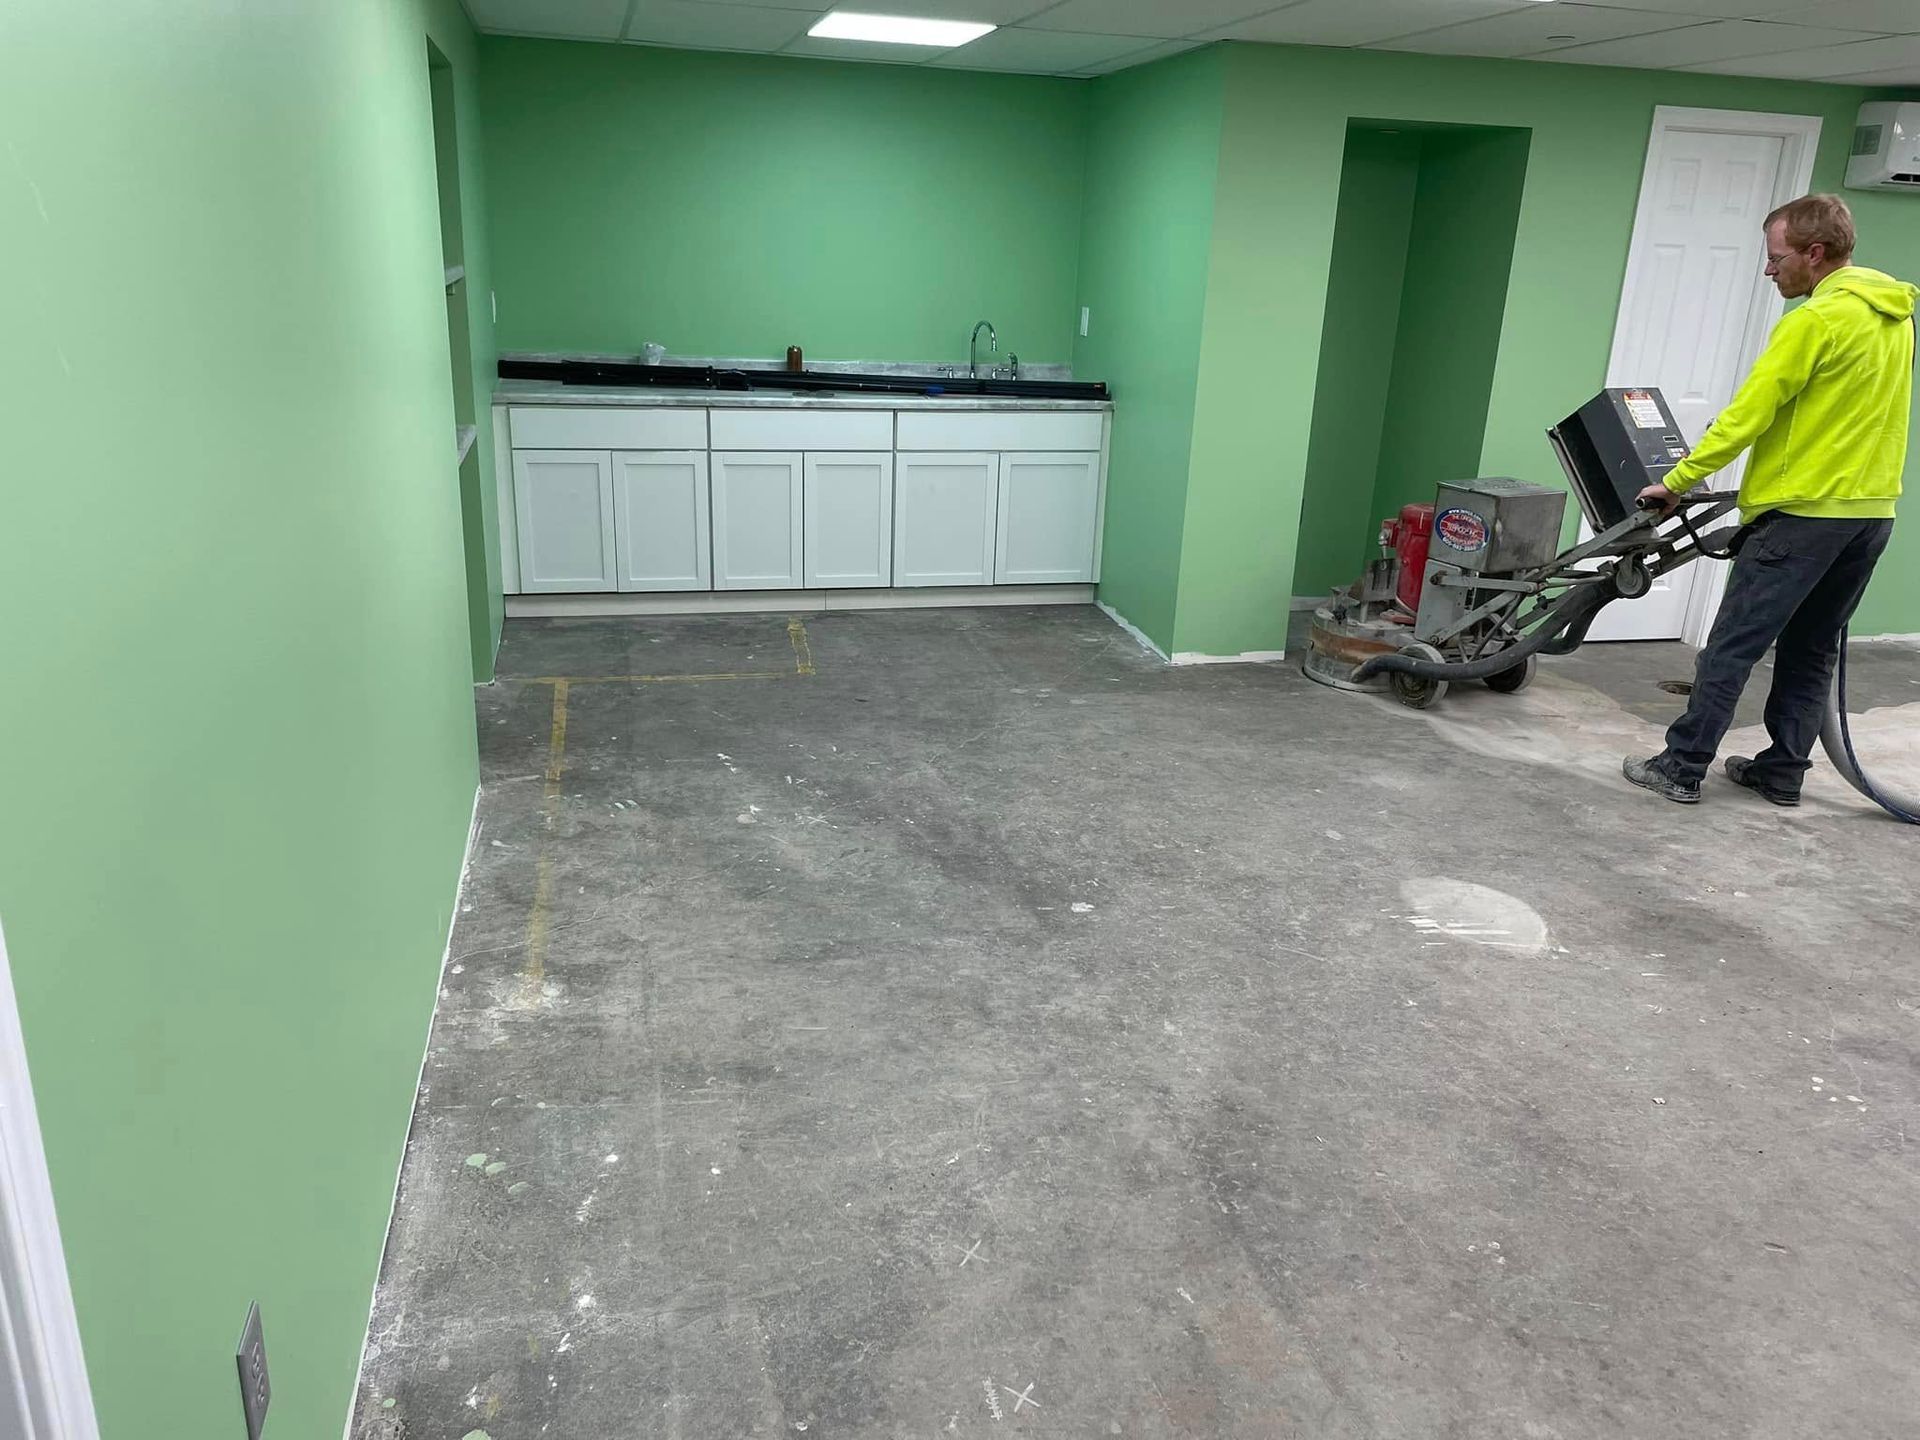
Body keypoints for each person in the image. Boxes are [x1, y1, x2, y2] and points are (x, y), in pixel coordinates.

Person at [1622, 193, 1914, 807]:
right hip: (1869, 514)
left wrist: (1676, 482)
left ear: (1814, 253)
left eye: (1776, 258)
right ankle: (1782, 772)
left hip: (1802, 516)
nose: (1768, 270)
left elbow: (1748, 414)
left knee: (1732, 646)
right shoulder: (1895, 315)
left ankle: (1681, 765)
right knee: (1812, 649)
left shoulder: (1814, 320)